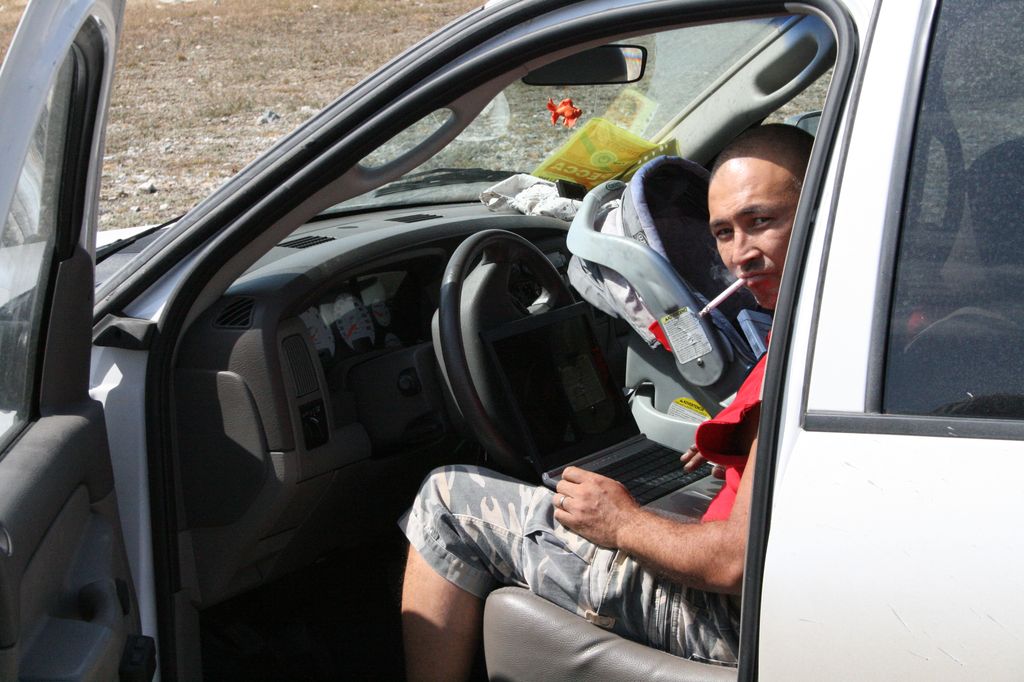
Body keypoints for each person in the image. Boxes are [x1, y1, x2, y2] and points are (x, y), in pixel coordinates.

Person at [398, 123, 814, 681]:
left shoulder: (814, 348)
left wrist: (621, 522)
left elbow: (733, 562)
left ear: (820, 206)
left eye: (760, 221)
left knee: (445, 501)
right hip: (787, 600)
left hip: (733, 620)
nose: (740, 254)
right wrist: (744, 445)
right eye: (723, 232)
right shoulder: (828, 314)